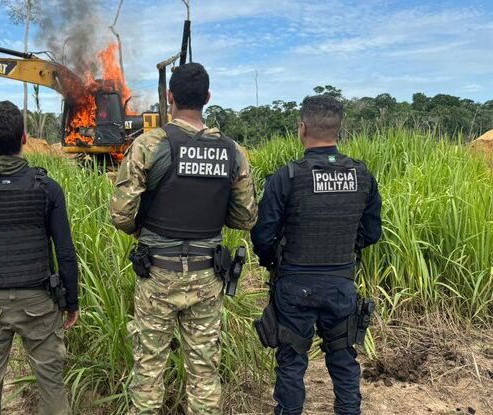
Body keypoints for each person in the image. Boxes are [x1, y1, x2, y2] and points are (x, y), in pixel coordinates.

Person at [110, 62, 258, 414]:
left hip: (157, 275)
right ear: (208, 97)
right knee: (204, 373)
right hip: (208, 276)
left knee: (148, 371)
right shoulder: (232, 151)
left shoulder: (148, 145)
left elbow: (120, 214)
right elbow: (246, 217)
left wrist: (143, 231)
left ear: (169, 97)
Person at [250, 94, 382, 415]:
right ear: (339, 130)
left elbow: (263, 235)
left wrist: (272, 261)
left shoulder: (287, 177)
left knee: (291, 362)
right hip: (340, 284)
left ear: (302, 128)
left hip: (294, 284)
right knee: (343, 358)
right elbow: (371, 232)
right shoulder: (361, 175)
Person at [0, 101, 79, 415]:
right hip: (39, 304)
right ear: (24, 137)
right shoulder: (47, 188)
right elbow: (65, 253)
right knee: (52, 386)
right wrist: (72, 302)